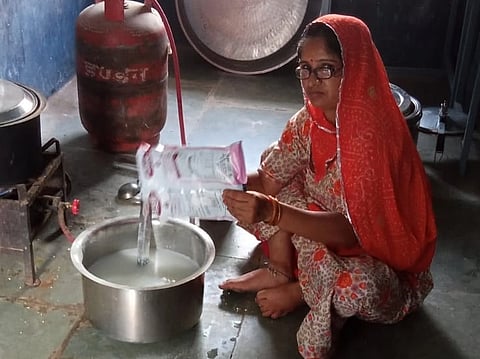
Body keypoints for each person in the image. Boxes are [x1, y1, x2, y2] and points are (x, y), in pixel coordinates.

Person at [219, 14, 437, 359]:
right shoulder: (309, 120)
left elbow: (351, 233)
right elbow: (273, 178)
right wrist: (216, 176)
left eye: (326, 68)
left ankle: (302, 291)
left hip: (373, 257)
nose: (311, 80)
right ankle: (280, 269)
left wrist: (272, 212)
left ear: (355, 70)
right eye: (304, 68)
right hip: (315, 227)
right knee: (248, 196)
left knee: (358, 289)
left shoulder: (371, 139)